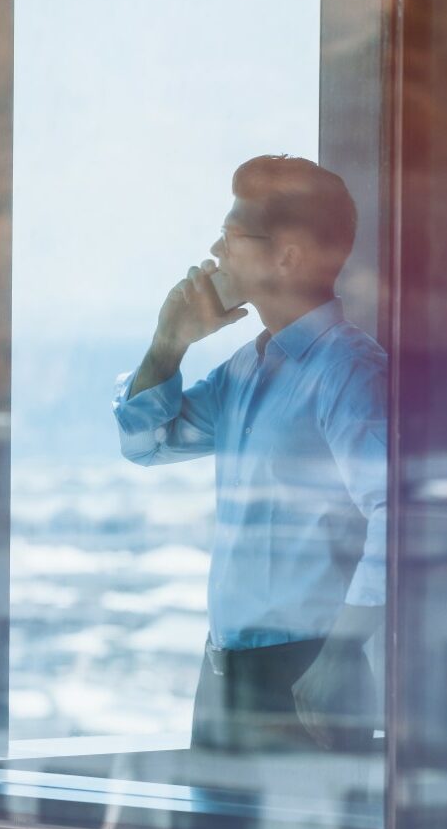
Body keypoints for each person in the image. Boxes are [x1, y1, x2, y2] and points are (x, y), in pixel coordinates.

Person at [113, 155, 385, 754]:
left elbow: (403, 513)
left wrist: (342, 651)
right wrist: (168, 344)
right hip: (227, 675)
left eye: (233, 234)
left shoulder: (347, 371)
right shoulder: (248, 369)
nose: (216, 248)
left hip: (307, 673)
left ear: (286, 256)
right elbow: (145, 444)